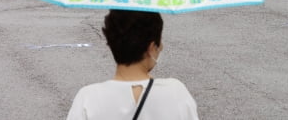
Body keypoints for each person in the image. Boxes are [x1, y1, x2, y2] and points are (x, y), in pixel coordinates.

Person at [66, 10, 199, 120]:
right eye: (159, 43)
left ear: (111, 44)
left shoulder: (88, 98)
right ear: (151, 48)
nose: (161, 47)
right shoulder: (175, 92)